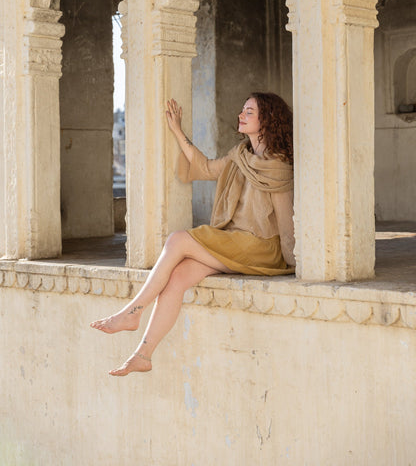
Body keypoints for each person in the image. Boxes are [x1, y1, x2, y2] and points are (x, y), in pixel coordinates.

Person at [90, 92, 295, 376]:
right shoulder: (240, 156)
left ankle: (133, 311)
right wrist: (177, 130)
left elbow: (286, 224)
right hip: (235, 242)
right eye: (243, 109)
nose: (241, 115)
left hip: (261, 248)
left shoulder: (279, 167)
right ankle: (143, 354)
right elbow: (207, 167)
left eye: (249, 112)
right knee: (179, 276)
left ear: (267, 121)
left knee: (178, 240)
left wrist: (293, 262)